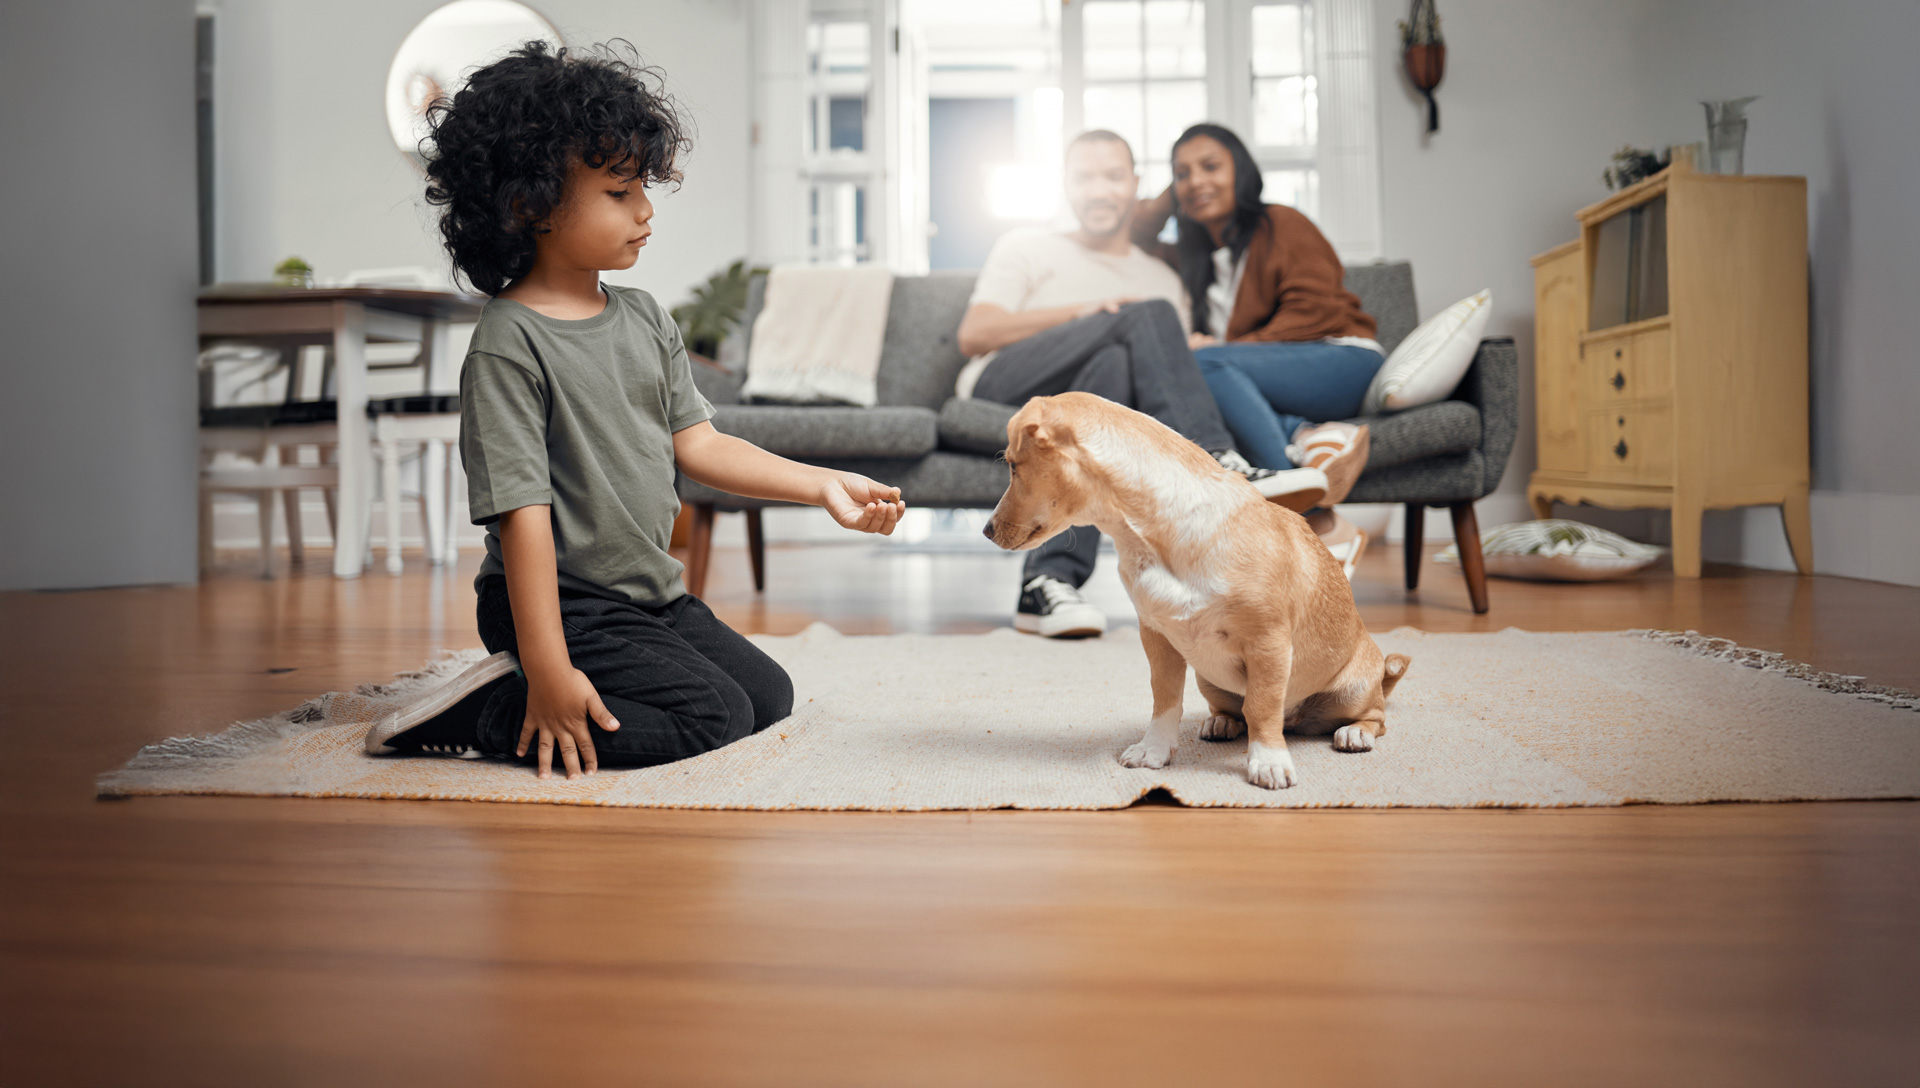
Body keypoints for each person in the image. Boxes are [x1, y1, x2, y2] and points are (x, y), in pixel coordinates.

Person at [363, 43, 906, 780]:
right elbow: (522, 518)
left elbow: (703, 444)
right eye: (619, 194)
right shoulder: (509, 342)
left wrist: (822, 484)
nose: (646, 211)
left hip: (647, 593)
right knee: (712, 716)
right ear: (529, 204)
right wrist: (551, 671)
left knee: (766, 696)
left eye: (642, 188)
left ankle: (536, 687)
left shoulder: (645, 318)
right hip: (564, 599)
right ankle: (494, 712)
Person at [957, 129, 1331, 638]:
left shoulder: (1163, 275)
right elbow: (975, 334)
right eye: (1084, 178)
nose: (1098, 190)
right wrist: (1085, 315)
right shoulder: (1027, 246)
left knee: (1112, 365)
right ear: (1066, 186)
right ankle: (1220, 460)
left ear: (1135, 185)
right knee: (1140, 318)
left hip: (1084, 414)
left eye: (1113, 177)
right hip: (1009, 388)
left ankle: (1046, 583)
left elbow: (1171, 372)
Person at [1132, 123, 1380, 576]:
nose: (1196, 181)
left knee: (1200, 364)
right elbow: (1135, 236)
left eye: (1211, 167)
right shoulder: (1194, 257)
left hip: (1342, 359)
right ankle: (1306, 438)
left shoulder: (1281, 222)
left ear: (1241, 171)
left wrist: (1226, 351)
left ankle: (1311, 520)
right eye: (1182, 173)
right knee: (1192, 386)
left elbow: (1316, 312)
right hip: (1265, 381)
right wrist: (1180, 191)